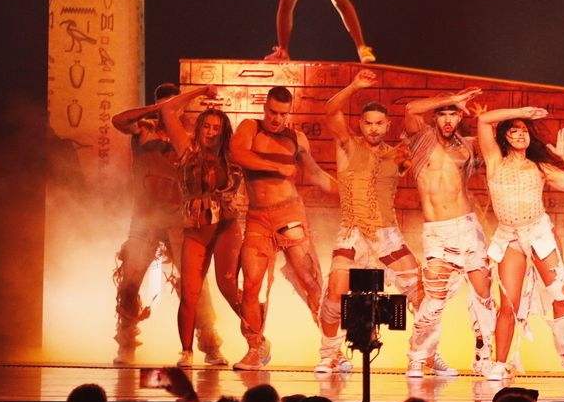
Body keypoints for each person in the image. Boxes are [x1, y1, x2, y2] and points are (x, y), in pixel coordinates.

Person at [315, 69, 426, 374]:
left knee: (420, 293)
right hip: (352, 233)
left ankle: (423, 354)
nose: (374, 129)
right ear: (360, 124)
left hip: (387, 234)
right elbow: (330, 110)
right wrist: (355, 85)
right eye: (368, 123)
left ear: (387, 125)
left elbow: (419, 139)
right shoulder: (347, 145)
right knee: (336, 293)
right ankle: (329, 355)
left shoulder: (397, 154)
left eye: (379, 124)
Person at [110, 83, 226, 366]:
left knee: (194, 283)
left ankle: (209, 345)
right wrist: (158, 110)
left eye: (173, 105)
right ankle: (126, 342)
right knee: (129, 279)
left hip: (178, 219)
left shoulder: (188, 138)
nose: (167, 111)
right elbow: (119, 121)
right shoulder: (144, 130)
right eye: (164, 105)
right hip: (145, 218)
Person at [474, 105, 564, 381]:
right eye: (513, 131)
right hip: (509, 237)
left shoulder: (540, 166)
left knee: (559, 296)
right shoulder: (495, 160)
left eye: (524, 131)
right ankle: (501, 363)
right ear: (504, 137)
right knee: (509, 305)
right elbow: (483, 119)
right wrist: (522, 112)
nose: (520, 135)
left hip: (538, 234)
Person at [228, 86, 335, 370]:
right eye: (273, 112)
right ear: (265, 107)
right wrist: (277, 168)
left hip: (290, 215)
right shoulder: (250, 128)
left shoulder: (296, 139)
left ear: (290, 113)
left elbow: (315, 174)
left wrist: (350, 191)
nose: (277, 119)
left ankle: (332, 349)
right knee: (251, 284)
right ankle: (255, 348)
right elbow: (238, 154)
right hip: (258, 217)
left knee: (310, 280)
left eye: (283, 114)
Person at [402, 87, 498, 377]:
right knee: (434, 300)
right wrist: (452, 99)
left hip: (468, 227)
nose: (447, 119)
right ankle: (418, 357)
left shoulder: (466, 146)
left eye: (453, 114)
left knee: (483, 294)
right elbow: (410, 108)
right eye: (442, 114)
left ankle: (484, 356)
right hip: (438, 232)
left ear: (459, 118)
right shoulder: (421, 139)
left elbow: (493, 151)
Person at [158, 98, 244, 367]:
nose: (210, 131)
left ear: (224, 130)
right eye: (206, 126)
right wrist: (200, 91)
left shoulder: (233, 157)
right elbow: (167, 111)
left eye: (216, 127)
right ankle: (186, 351)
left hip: (226, 227)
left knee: (229, 287)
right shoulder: (187, 150)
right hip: (196, 228)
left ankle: (256, 340)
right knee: (190, 292)